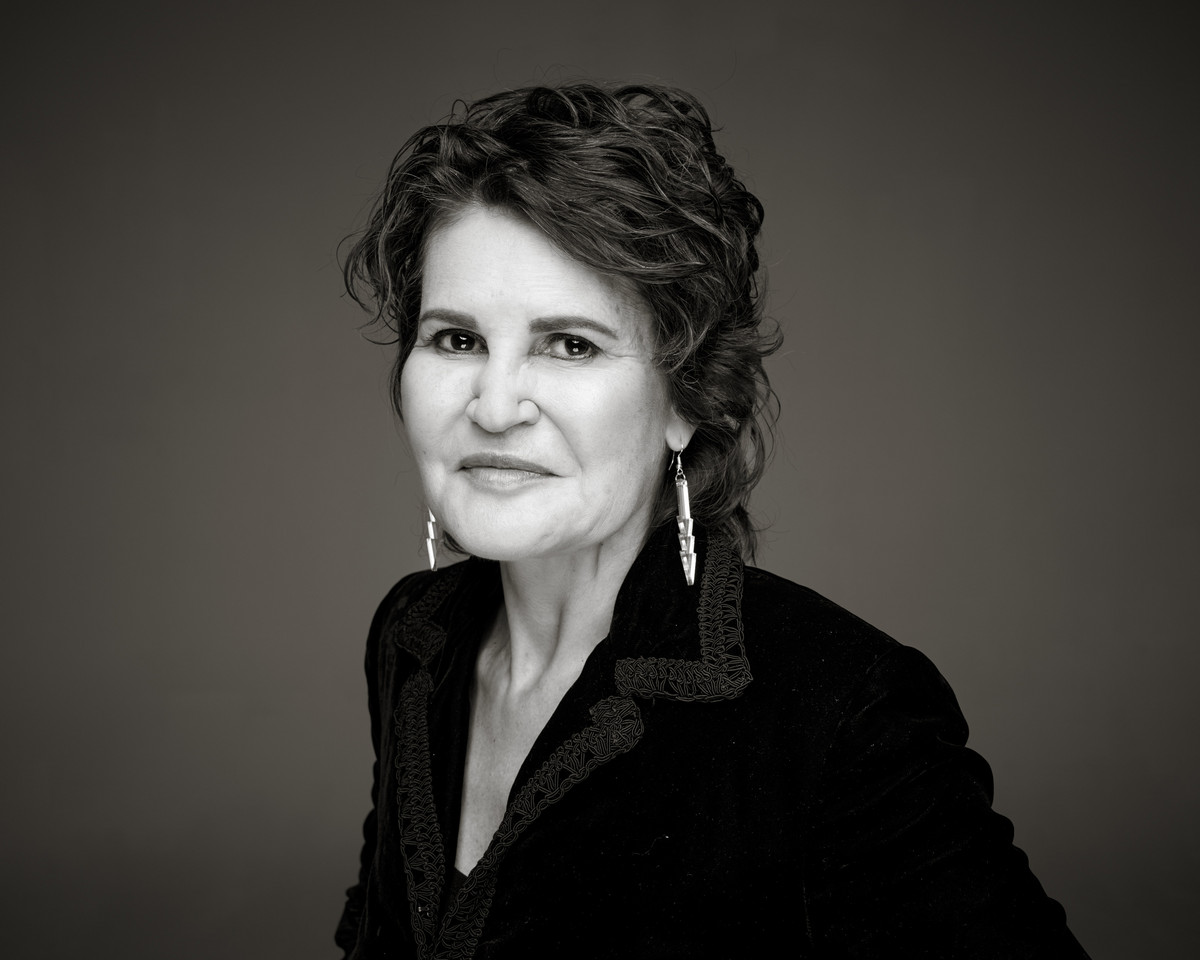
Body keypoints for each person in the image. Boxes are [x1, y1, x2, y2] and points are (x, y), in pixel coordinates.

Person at [335, 82, 1089, 958]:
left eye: (570, 344)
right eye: (456, 339)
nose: (495, 406)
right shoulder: (413, 639)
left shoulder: (839, 711)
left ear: (686, 400)